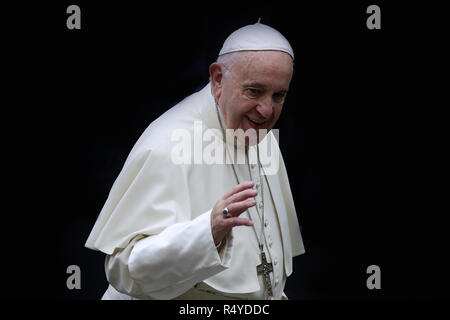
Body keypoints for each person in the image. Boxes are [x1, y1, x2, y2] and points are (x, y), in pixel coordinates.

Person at [85, 21, 305, 300]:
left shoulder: (259, 133)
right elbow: (122, 269)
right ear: (217, 80)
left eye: (279, 95)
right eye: (254, 91)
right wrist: (207, 233)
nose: (266, 110)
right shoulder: (167, 143)